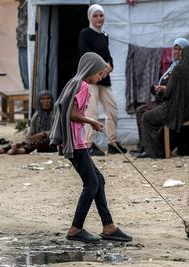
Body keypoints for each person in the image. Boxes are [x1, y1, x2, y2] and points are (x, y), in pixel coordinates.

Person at [49, 52, 132, 244]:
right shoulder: (83, 85)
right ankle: (75, 229)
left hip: (74, 140)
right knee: (91, 184)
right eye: (100, 73)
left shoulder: (74, 82)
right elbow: (72, 113)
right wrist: (91, 122)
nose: (101, 77)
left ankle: (108, 227)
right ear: (91, 70)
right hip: (76, 143)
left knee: (98, 180)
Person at [78, 4, 127, 156]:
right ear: (90, 17)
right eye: (95, 16)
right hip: (91, 79)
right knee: (91, 112)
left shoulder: (104, 35)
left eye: (101, 15)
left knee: (112, 110)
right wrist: (102, 65)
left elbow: (108, 55)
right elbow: (86, 54)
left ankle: (112, 143)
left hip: (104, 79)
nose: (99, 19)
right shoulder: (85, 33)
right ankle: (89, 144)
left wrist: (110, 65)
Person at [139, 45, 189, 158]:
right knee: (154, 114)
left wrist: (162, 90)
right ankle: (162, 147)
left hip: (174, 111)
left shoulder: (178, 69)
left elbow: (168, 93)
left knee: (146, 117)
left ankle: (155, 151)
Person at [131, 38, 189, 154]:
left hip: (172, 105)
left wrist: (164, 89)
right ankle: (145, 145)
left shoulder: (183, 68)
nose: (176, 52)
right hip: (164, 101)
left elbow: (181, 90)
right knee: (140, 109)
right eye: (175, 49)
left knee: (143, 111)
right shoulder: (173, 66)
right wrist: (157, 89)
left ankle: (150, 147)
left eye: (180, 49)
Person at [0, 90, 56, 155]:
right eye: (43, 99)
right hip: (36, 142)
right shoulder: (36, 115)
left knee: (40, 144)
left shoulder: (56, 114)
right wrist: (26, 141)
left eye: (48, 98)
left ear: (52, 100)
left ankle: (17, 150)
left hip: (52, 142)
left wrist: (44, 133)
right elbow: (31, 133)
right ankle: (0, 150)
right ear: (40, 102)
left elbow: (58, 132)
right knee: (28, 143)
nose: (46, 101)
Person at [16, 0, 28, 90]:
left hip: (27, 45)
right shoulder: (21, 7)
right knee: (23, 76)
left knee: (27, 76)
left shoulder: (28, 6)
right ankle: (27, 100)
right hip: (21, 45)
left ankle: (29, 100)